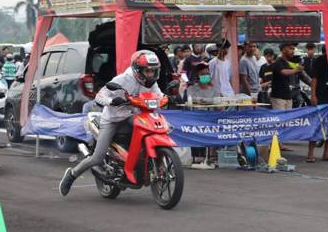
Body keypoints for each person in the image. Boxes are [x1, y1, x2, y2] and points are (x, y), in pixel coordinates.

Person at [59, 50, 163, 196]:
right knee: (97, 157)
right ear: (138, 69)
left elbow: (159, 95)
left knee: (149, 129)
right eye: (147, 70)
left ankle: (138, 164)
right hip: (111, 119)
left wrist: (167, 97)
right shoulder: (122, 79)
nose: (150, 74)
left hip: (131, 115)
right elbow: (99, 97)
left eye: (153, 71)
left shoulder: (150, 81)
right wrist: (111, 101)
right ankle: (72, 175)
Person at [187, 60, 221, 164]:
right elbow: (189, 102)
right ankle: (197, 156)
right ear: (197, 76)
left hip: (211, 120)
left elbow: (220, 107)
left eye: (207, 74)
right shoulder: (192, 90)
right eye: (202, 74)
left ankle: (212, 156)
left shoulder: (214, 91)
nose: (205, 76)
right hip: (197, 120)